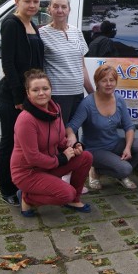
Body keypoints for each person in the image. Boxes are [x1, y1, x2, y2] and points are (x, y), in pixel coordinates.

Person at [11, 69, 93, 216]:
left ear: (51, 90)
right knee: (66, 193)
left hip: (50, 164)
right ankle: (27, 197)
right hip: (28, 172)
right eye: (35, 90)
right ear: (28, 93)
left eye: (45, 88)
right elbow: (33, 157)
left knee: (86, 157)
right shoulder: (26, 120)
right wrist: (61, 159)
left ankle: (74, 199)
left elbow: (60, 140)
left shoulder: (56, 110)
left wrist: (74, 146)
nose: (41, 93)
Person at [66, 65, 138, 190]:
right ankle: (96, 171)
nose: (108, 84)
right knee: (126, 169)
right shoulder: (88, 103)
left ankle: (119, 170)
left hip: (114, 143)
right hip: (95, 149)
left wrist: (128, 148)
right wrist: (71, 136)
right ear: (97, 82)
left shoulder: (119, 100)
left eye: (112, 80)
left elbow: (129, 126)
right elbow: (71, 126)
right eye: (104, 80)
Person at [0, 0, 44, 206]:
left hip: (30, 95)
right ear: (17, 1)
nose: (32, 5)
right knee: (9, 142)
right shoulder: (11, 24)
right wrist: (18, 98)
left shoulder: (31, 24)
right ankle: (7, 189)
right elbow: (8, 64)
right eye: (28, 1)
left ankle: (23, 183)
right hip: (12, 97)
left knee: (26, 143)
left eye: (36, 1)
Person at [39, 0, 94, 123]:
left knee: (72, 133)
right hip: (57, 95)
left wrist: (92, 93)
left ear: (69, 10)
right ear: (49, 9)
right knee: (59, 135)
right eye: (56, 6)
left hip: (77, 94)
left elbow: (82, 66)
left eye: (64, 7)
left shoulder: (76, 32)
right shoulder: (42, 33)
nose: (60, 10)